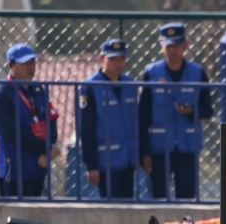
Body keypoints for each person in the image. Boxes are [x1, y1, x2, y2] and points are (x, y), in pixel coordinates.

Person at [139, 23, 213, 200]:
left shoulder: (198, 73)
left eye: (177, 45)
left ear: (185, 45)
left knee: (187, 199)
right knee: (158, 198)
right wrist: (144, 152)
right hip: (158, 149)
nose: (173, 50)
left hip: (187, 149)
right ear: (161, 46)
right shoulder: (151, 74)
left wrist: (192, 111)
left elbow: (208, 109)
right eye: (168, 45)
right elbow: (143, 116)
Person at [0, 43, 60, 198]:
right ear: (10, 65)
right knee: (14, 218)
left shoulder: (38, 89)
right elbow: (14, 133)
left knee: (34, 218)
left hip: (38, 167)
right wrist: (46, 148)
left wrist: (48, 149)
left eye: (33, 62)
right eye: (24, 63)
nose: (30, 67)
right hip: (14, 172)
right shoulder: (1, 95)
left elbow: (51, 120)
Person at [78, 39, 139, 198]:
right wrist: (91, 166)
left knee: (127, 210)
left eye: (121, 59)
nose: (117, 64)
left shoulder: (129, 84)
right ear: (101, 58)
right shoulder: (90, 86)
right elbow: (86, 129)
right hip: (105, 163)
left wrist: (135, 157)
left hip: (127, 161)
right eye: (112, 59)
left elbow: (134, 123)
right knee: (109, 209)